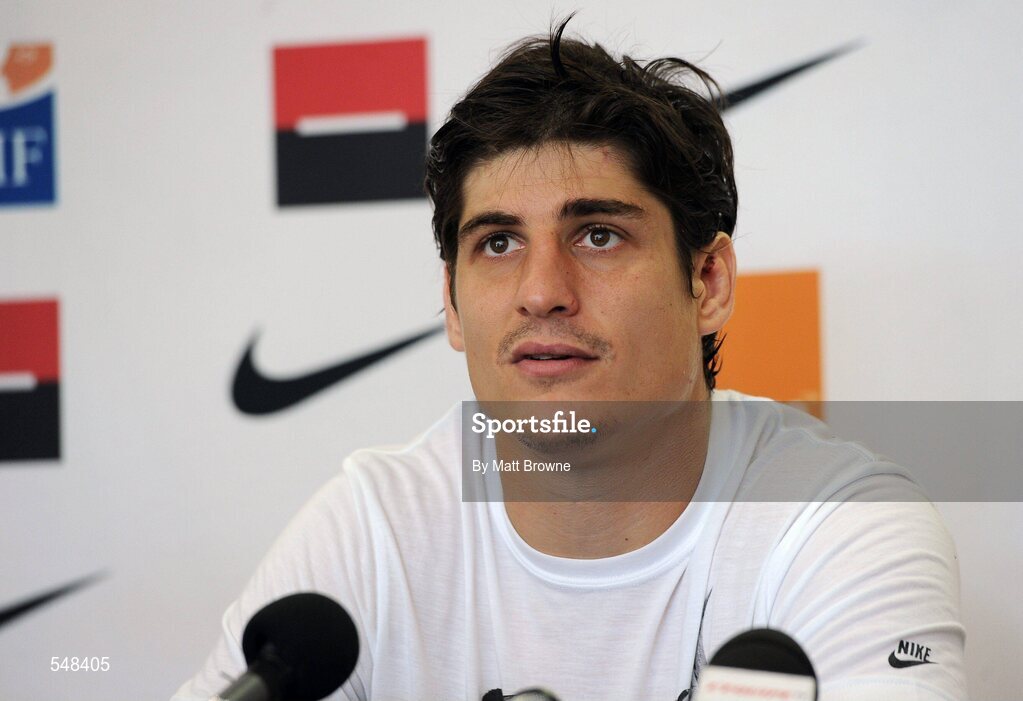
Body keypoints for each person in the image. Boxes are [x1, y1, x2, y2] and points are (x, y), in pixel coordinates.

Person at [174, 20, 965, 701]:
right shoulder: (373, 525)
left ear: (708, 281)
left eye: (597, 235)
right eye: (498, 243)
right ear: (451, 305)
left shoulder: (834, 524)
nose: (541, 292)